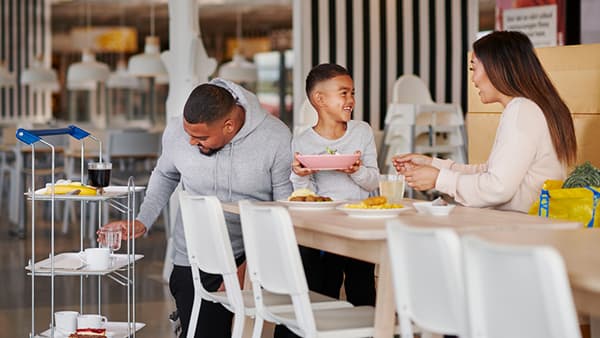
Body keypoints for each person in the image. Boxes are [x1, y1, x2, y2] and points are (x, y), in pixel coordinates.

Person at [99, 78, 293, 338]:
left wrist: (249, 266)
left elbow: (285, 210)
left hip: (252, 253)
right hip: (193, 256)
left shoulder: (276, 137)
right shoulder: (178, 132)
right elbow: (165, 175)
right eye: (188, 133)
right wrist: (142, 221)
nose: (191, 142)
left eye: (200, 137)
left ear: (229, 125)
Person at [393, 30, 577, 213]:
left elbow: (498, 188)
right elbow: (491, 172)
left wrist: (439, 179)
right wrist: (433, 165)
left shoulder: (522, 110)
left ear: (497, 67)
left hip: (521, 229)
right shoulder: (536, 108)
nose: (473, 79)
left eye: (473, 68)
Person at [276, 63, 379, 337]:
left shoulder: (362, 131)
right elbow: (304, 194)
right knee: (323, 292)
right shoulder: (302, 142)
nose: (351, 101)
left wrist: (355, 170)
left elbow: (373, 182)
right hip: (323, 229)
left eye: (352, 93)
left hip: (359, 225)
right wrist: (299, 175)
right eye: (343, 93)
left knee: (363, 293)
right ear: (319, 99)